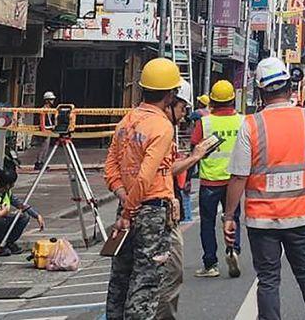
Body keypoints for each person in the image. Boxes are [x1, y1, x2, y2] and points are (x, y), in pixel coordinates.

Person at [224, 57, 305, 320]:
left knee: (269, 281)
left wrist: (230, 216)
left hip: (262, 222)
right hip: (299, 217)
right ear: (289, 87)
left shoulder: (251, 125)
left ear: (261, 92)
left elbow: (239, 177)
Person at [103, 57, 183, 320]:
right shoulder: (161, 126)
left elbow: (111, 167)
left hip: (127, 206)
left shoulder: (127, 121)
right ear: (171, 94)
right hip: (149, 211)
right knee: (146, 280)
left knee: (120, 279)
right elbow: (146, 176)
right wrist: (130, 211)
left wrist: (123, 200)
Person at [155, 80, 220, 320]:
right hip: (156, 211)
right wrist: (196, 157)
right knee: (170, 273)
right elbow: (162, 169)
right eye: (183, 109)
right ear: (171, 100)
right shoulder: (161, 128)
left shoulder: (133, 122)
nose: (184, 117)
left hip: (149, 208)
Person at [192, 79, 244, 279]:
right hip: (234, 182)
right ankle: (233, 250)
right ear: (233, 100)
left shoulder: (204, 122)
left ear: (212, 102)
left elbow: (195, 147)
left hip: (210, 181)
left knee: (207, 222)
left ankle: (210, 263)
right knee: (233, 218)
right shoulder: (242, 121)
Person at [0, 169, 45, 256]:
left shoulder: (7, 193)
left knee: (23, 217)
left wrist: (37, 216)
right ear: (8, 185)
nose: (14, 185)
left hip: (2, 217)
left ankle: (8, 242)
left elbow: (21, 205)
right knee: (1, 221)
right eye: (13, 183)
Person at [33, 91, 57, 170]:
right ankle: (38, 162)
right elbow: (42, 120)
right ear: (47, 100)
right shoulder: (43, 109)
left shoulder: (50, 109)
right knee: (43, 147)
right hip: (44, 130)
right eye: (51, 99)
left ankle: (42, 162)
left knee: (46, 147)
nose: (53, 101)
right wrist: (45, 129)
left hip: (48, 129)